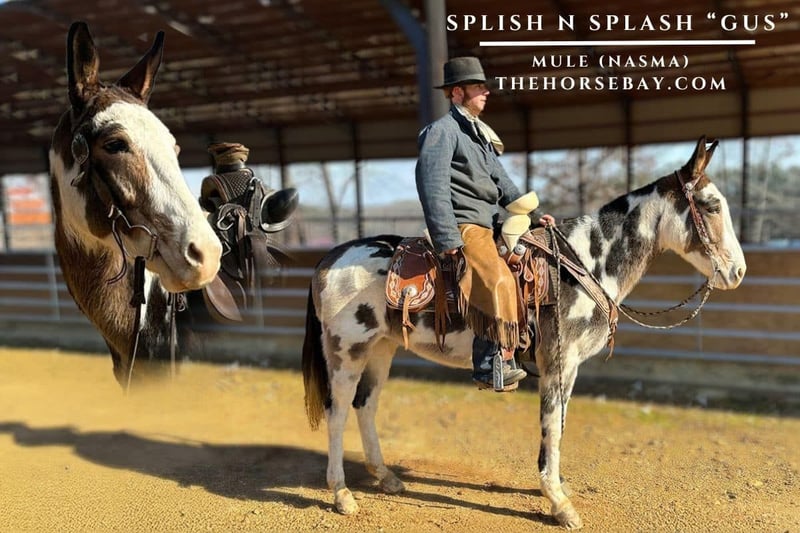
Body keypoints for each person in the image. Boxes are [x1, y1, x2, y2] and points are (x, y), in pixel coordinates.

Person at [415, 56, 554, 391]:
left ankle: (521, 345)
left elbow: (504, 185)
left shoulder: (479, 136)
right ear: (457, 93)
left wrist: (535, 215)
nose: (486, 93)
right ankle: (490, 364)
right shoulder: (441, 132)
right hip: (468, 225)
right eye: (478, 87)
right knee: (497, 278)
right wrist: (447, 237)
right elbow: (432, 186)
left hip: (493, 223)